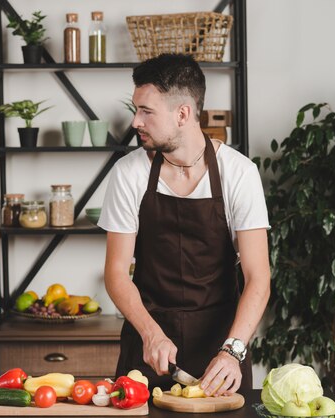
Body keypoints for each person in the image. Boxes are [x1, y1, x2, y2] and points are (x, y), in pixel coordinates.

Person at [98, 54, 271, 396]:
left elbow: (258, 277)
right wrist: (150, 333)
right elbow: (116, 272)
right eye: (137, 110)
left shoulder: (239, 173)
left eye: (147, 111)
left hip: (220, 347)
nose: (136, 122)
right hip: (147, 345)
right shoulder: (128, 174)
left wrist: (232, 350)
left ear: (183, 114)